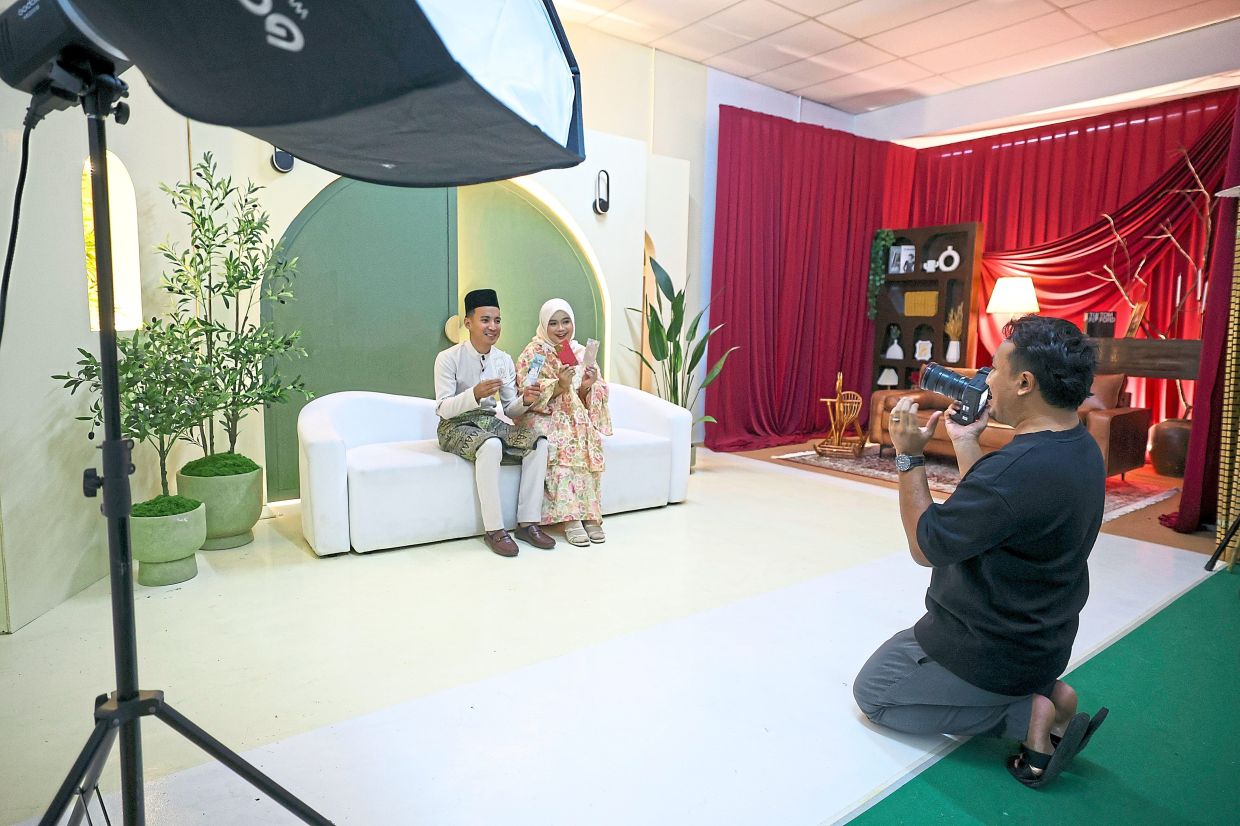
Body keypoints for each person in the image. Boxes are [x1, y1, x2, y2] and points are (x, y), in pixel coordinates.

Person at [852, 315, 1109, 788]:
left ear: (1025, 382)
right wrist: (966, 443)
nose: (987, 380)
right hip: (1043, 642)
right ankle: (1050, 693)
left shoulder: (1014, 471)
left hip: (986, 648)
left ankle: (1025, 714)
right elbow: (995, 517)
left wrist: (909, 456)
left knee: (875, 693)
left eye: (994, 369)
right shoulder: (1082, 449)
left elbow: (926, 546)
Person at [434, 289, 557, 557]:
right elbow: (443, 408)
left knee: (539, 441)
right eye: (485, 320)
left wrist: (526, 400)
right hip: (454, 425)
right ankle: (495, 530)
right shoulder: (448, 358)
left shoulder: (503, 360)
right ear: (468, 323)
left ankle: (528, 523)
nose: (493, 327)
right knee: (490, 445)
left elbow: (511, 410)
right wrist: (474, 395)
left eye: (497, 320)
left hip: (490, 423)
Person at [516, 298, 612, 547]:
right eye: (553, 323)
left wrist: (588, 387)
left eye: (566, 322)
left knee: (586, 438)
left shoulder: (582, 353)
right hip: (545, 416)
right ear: (543, 326)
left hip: (575, 416)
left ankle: (589, 515)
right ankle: (569, 518)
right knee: (561, 440)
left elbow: (590, 397)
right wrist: (559, 385)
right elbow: (528, 389)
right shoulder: (536, 353)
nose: (560, 329)